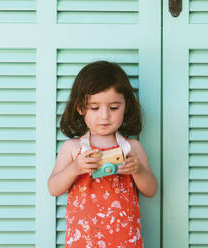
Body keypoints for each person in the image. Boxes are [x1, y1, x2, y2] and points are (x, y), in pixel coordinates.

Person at [48, 61, 158, 248]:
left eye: (114, 107)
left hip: (125, 241)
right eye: (94, 108)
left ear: (126, 106)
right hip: (83, 241)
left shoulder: (131, 147)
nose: (105, 116)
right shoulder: (73, 148)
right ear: (80, 108)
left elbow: (151, 190)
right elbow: (53, 188)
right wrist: (75, 168)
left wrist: (137, 170)